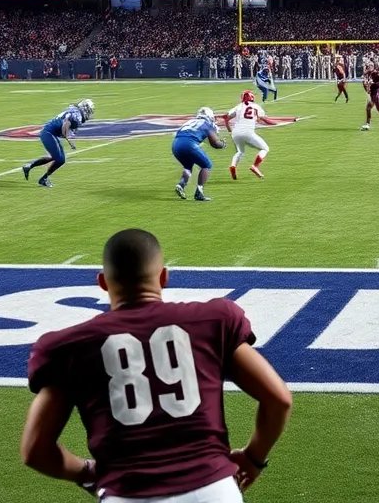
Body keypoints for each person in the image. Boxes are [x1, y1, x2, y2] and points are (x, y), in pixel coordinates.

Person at [22, 229, 292, 501]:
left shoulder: (68, 347)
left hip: (129, 494)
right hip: (213, 490)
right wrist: (253, 458)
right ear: (164, 276)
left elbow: (35, 450)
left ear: (102, 283)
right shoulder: (214, 320)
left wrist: (87, 472)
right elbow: (278, 399)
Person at [23, 99, 95, 188]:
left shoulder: (75, 112)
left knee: (61, 160)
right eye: (90, 111)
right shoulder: (77, 117)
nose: (90, 113)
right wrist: (67, 138)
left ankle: (36, 172)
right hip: (48, 133)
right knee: (57, 158)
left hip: (51, 133)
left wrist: (69, 139)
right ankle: (37, 173)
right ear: (85, 109)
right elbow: (65, 124)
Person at [172, 107, 227, 201]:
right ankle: (199, 193)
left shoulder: (191, 121)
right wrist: (222, 144)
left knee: (188, 166)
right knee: (207, 165)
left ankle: (181, 185)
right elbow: (216, 144)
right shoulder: (207, 124)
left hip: (176, 144)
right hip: (189, 144)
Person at [226, 90, 275, 180]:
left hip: (236, 132)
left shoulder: (238, 107)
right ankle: (255, 166)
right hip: (248, 132)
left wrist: (229, 129)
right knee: (265, 149)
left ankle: (233, 165)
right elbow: (264, 119)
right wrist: (275, 124)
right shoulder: (256, 107)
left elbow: (227, 117)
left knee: (240, 152)